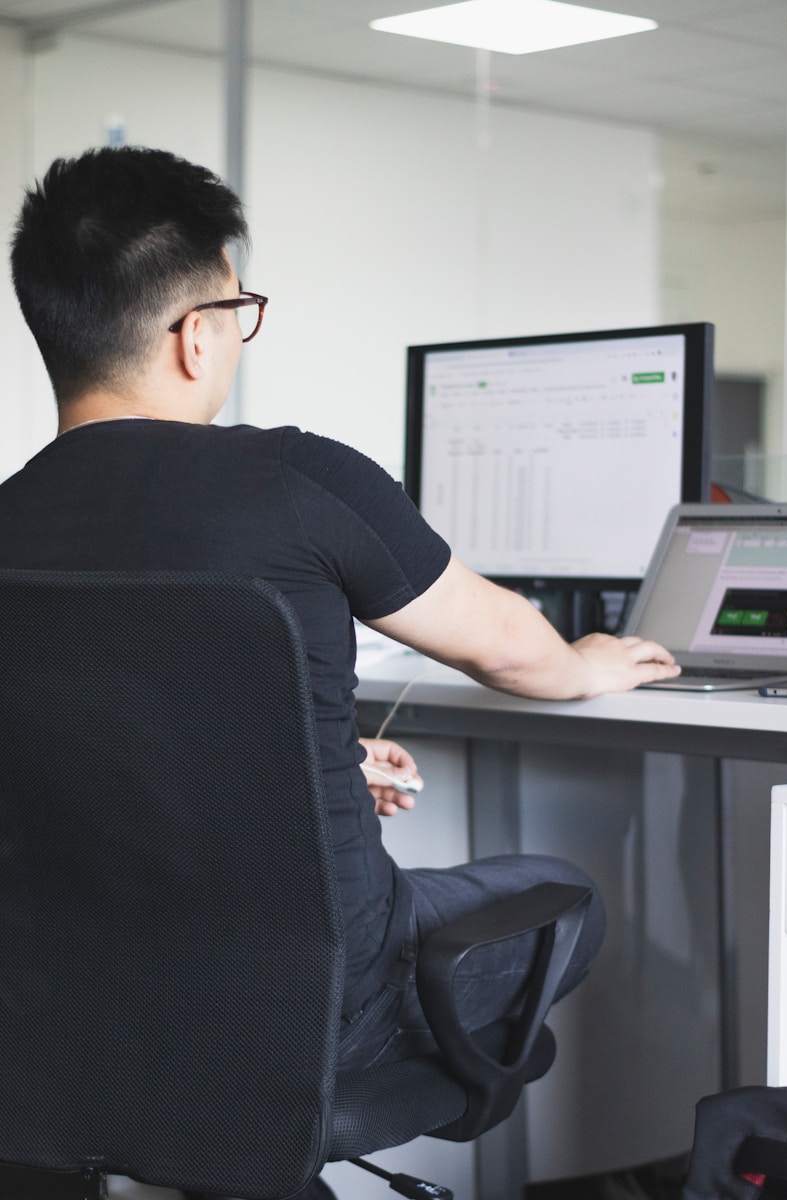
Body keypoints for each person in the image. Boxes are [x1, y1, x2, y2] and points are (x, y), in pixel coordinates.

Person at [3, 146, 680, 1197]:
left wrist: (291, 761)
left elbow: (67, 749)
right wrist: (584, 661)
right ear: (196, 336)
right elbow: (513, 652)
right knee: (563, 892)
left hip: (63, 1014)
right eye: (239, 306)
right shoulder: (295, 478)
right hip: (321, 1005)